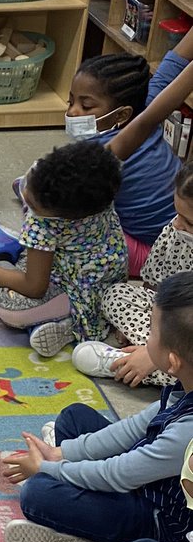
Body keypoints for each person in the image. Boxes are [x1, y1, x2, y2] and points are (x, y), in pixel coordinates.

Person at [0, 272, 193, 542]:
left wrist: (47, 469)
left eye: (150, 333)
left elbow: (119, 474)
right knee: (74, 418)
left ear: (172, 362)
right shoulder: (182, 386)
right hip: (143, 481)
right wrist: (59, 454)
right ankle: (83, 523)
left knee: (38, 493)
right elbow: (133, 429)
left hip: (156, 521)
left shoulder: (186, 433)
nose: (144, 339)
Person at [0, 140, 127, 357]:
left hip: (70, 289)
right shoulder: (99, 187)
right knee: (33, 281)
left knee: (9, 307)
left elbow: (34, 287)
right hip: (105, 284)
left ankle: (0, 252)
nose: (26, 194)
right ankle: (59, 322)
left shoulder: (43, 225)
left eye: (35, 208)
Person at [64, 26, 193, 274]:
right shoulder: (144, 102)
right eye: (71, 101)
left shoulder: (100, 153)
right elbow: (179, 57)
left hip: (158, 251)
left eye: (85, 105)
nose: (72, 112)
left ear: (122, 115)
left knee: (65, 225)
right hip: (178, 220)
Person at [73, 161, 193, 389]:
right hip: (168, 320)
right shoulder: (176, 232)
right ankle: (153, 357)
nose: (178, 224)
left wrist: (152, 353)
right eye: (177, 214)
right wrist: (154, 330)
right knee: (115, 295)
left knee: (186, 366)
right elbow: (151, 286)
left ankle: (127, 362)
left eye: (189, 222)